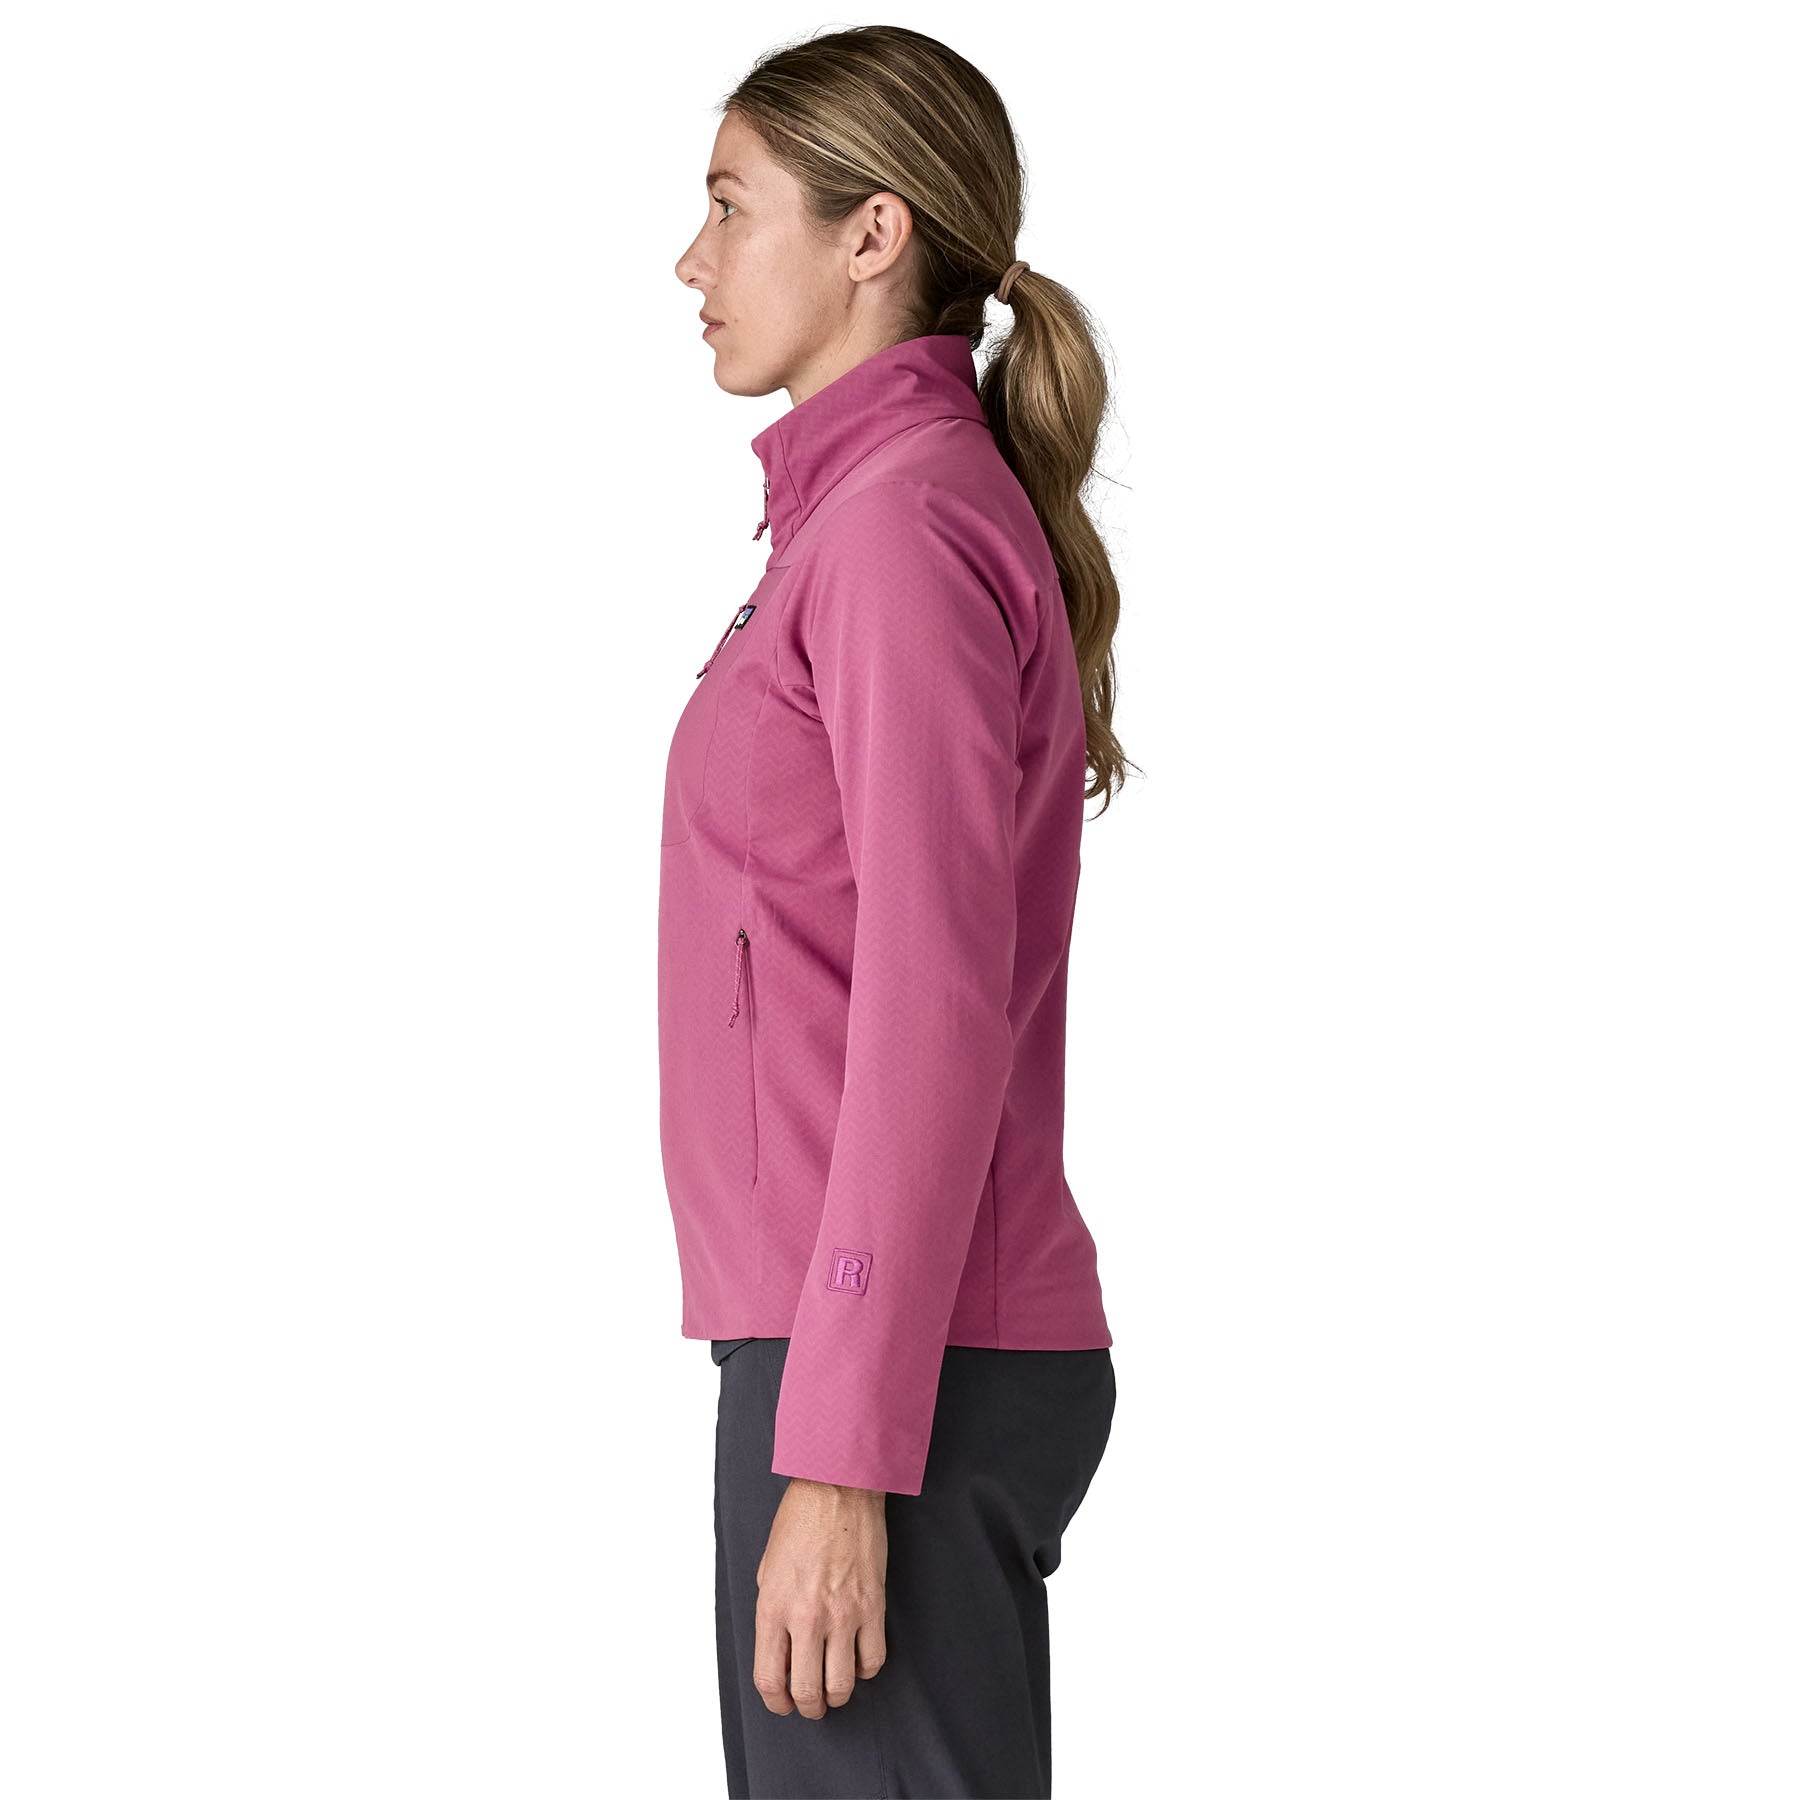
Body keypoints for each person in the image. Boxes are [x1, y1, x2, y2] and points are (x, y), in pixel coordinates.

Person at [664, 25, 1137, 1798]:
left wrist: (849, 1444)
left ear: (874, 234)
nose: (692, 260)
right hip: (865, 1348)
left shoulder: (897, 534)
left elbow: (937, 999)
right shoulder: (860, 521)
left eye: (731, 206)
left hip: (888, 1366)